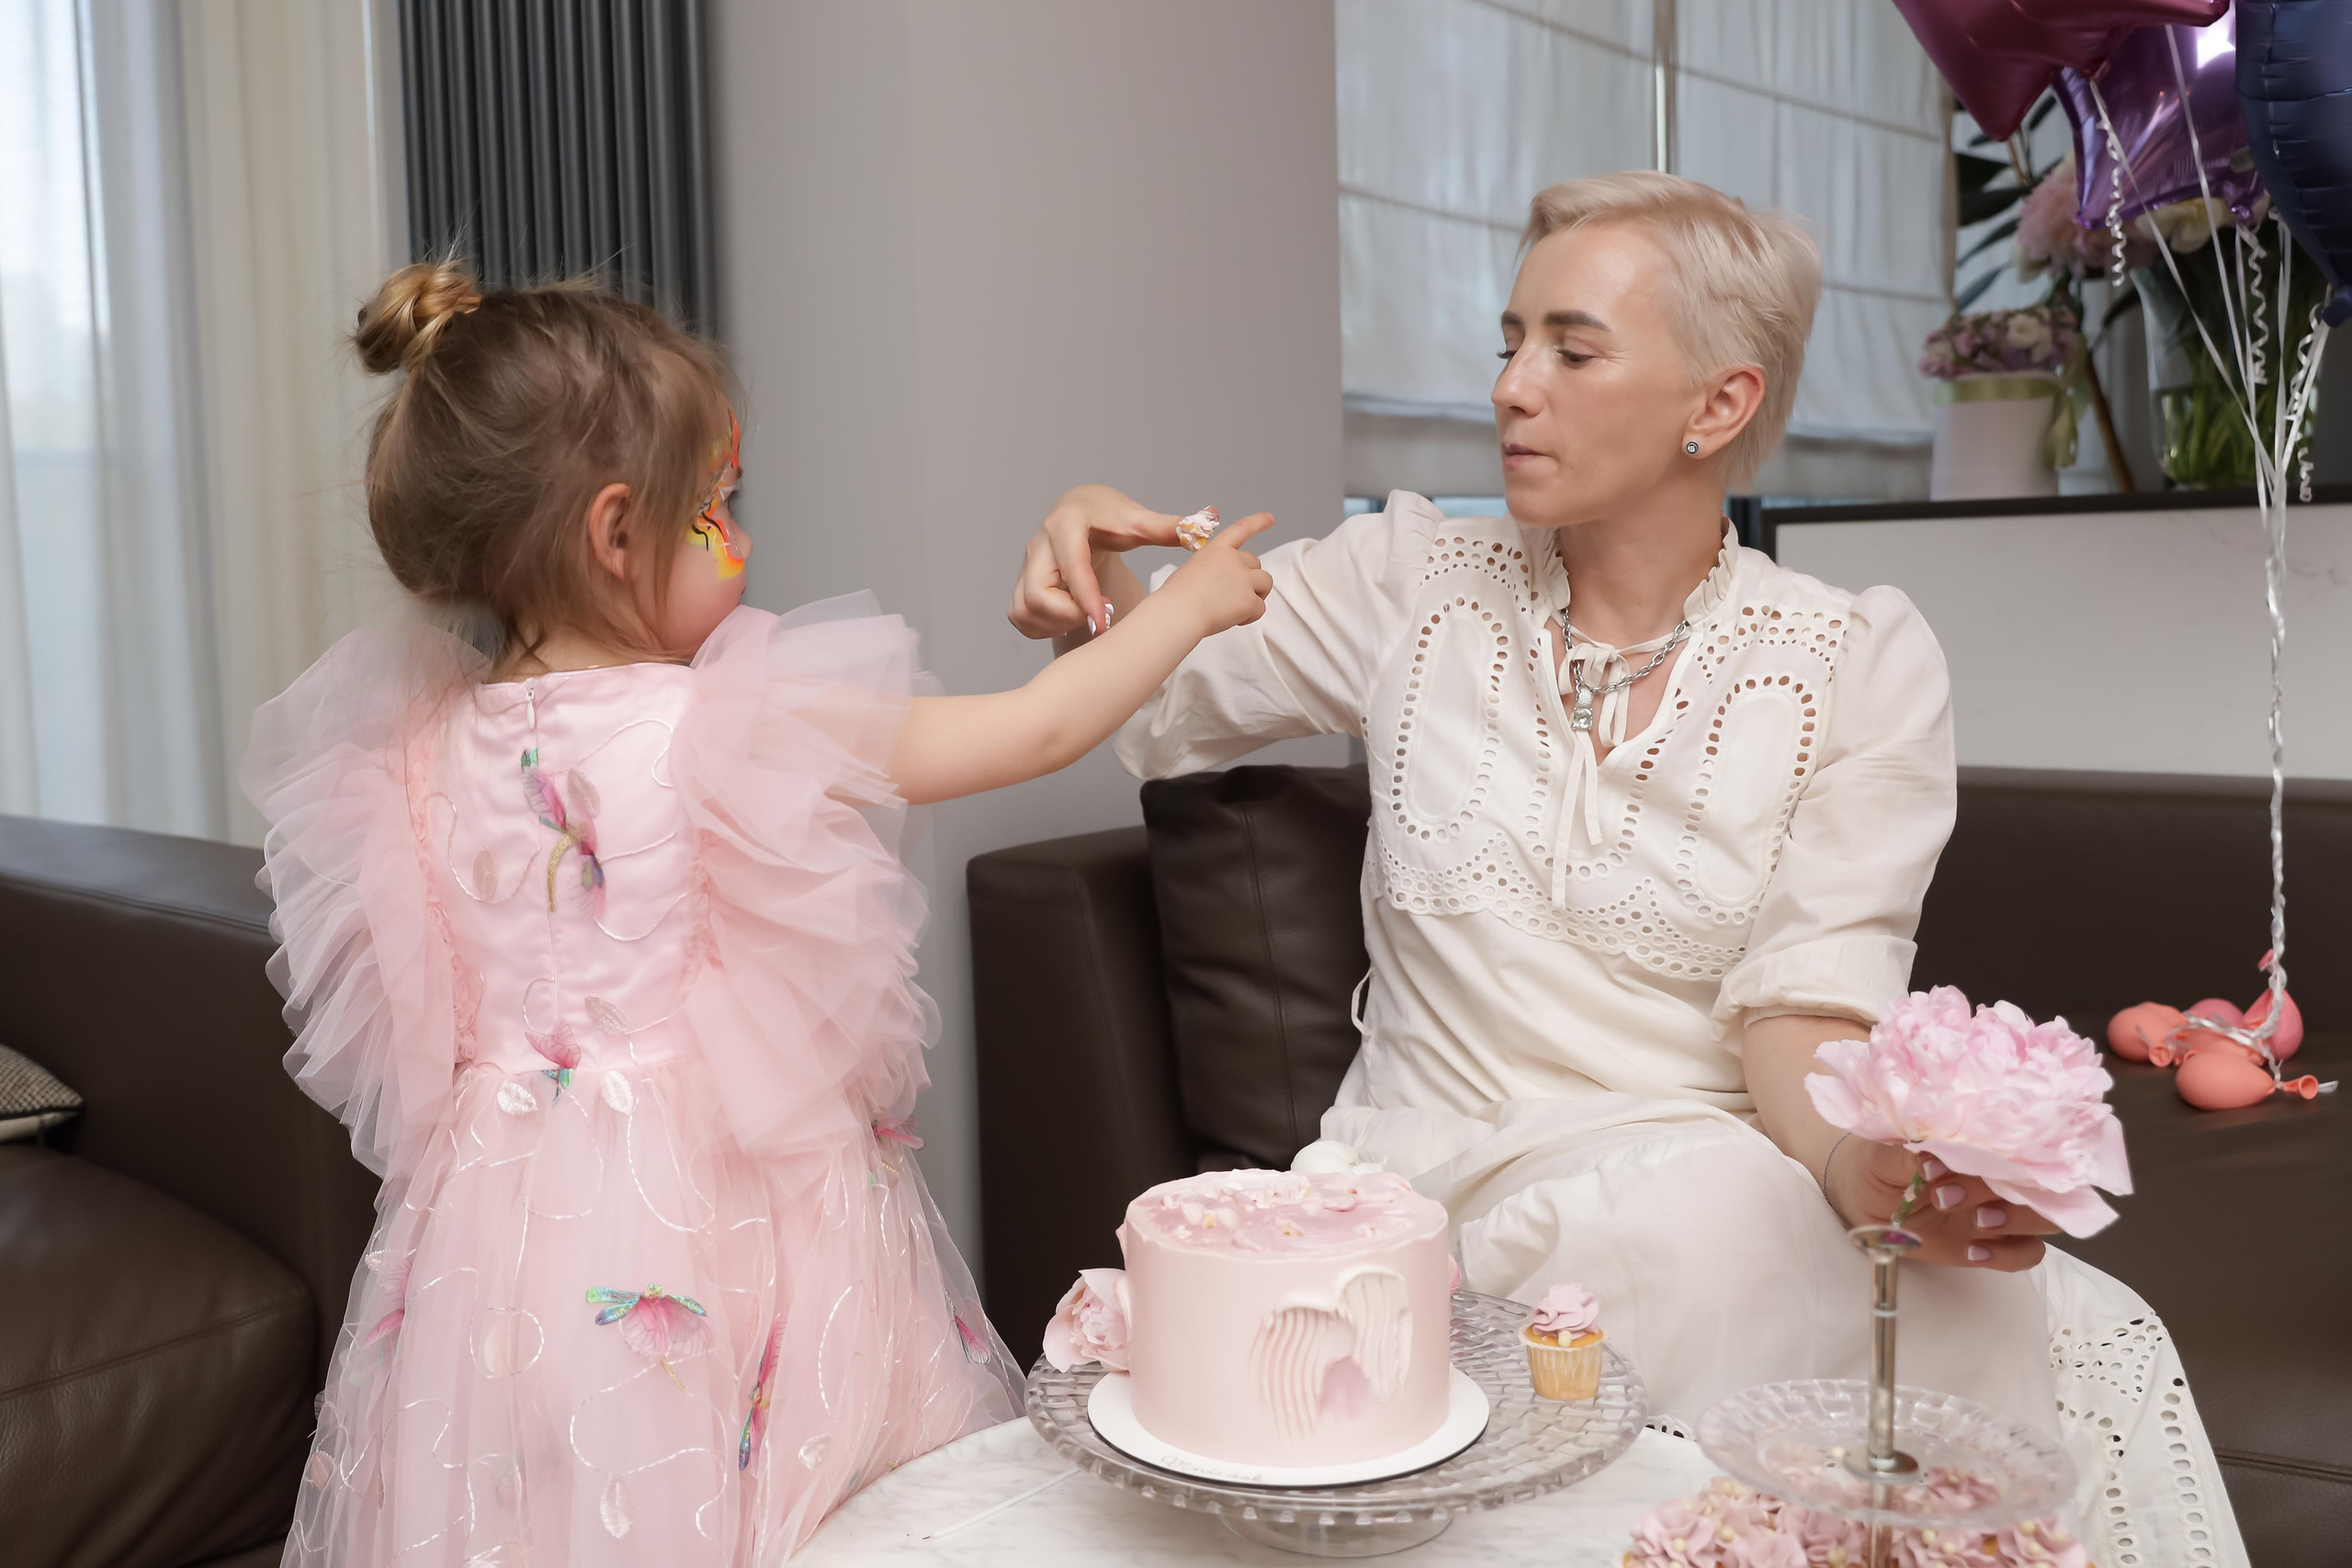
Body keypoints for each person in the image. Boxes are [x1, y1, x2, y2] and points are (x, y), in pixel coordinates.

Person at [1009, 173, 2243, 1567]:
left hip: (1720, 1173)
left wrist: (1863, 1171)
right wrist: (1086, 585)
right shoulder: (1405, 582)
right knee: (1715, 1230)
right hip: (1439, 1175)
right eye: (1508, 341)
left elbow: (1804, 1004)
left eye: (1572, 350)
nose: (1512, 389)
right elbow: (1145, 702)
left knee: (2016, 1307)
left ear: (1718, 405)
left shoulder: (1859, 660)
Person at [249, 261, 1272, 1566]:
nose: (739, 533)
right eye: (715, 507)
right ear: (617, 531)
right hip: (737, 1217)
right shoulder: (728, 721)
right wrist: (1186, 609)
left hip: (500, 1256)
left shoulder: (410, 755)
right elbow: (1034, 728)